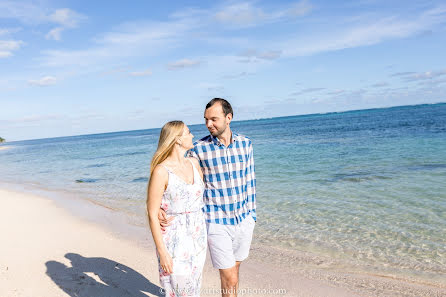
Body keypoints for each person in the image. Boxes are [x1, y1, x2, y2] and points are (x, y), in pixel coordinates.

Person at [159, 98, 257, 297]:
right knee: (230, 277)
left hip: (243, 220)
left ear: (228, 118)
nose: (208, 124)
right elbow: (171, 170)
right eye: (206, 120)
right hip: (215, 223)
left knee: (234, 274)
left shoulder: (246, 144)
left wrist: (252, 216)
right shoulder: (197, 148)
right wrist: (161, 204)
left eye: (214, 119)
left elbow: (250, 181)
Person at [147, 121, 207, 297]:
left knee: (194, 287)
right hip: (174, 238)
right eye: (188, 133)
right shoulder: (161, 171)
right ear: (177, 139)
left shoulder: (194, 164)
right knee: (178, 290)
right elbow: (151, 212)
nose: (193, 136)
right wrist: (162, 251)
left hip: (198, 235)